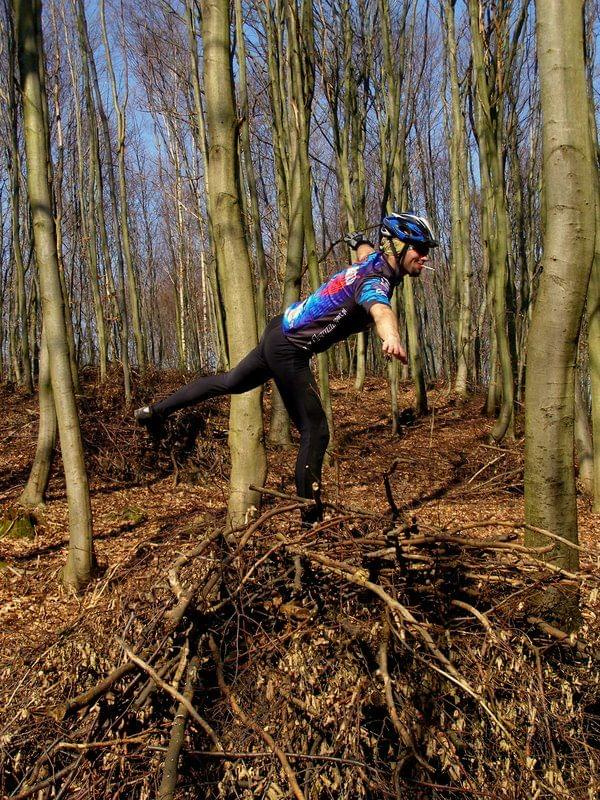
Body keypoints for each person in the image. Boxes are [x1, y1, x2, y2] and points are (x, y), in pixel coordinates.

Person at [135, 212, 438, 524]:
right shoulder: (375, 281)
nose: (424, 257)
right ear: (396, 247)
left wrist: (358, 241)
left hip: (279, 330)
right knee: (316, 431)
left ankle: (154, 412)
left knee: (231, 382)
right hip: (289, 348)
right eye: (418, 248)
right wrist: (392, 337)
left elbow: (364, 251)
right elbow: (381, 310)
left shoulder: (373, 259)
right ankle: (310, 522)